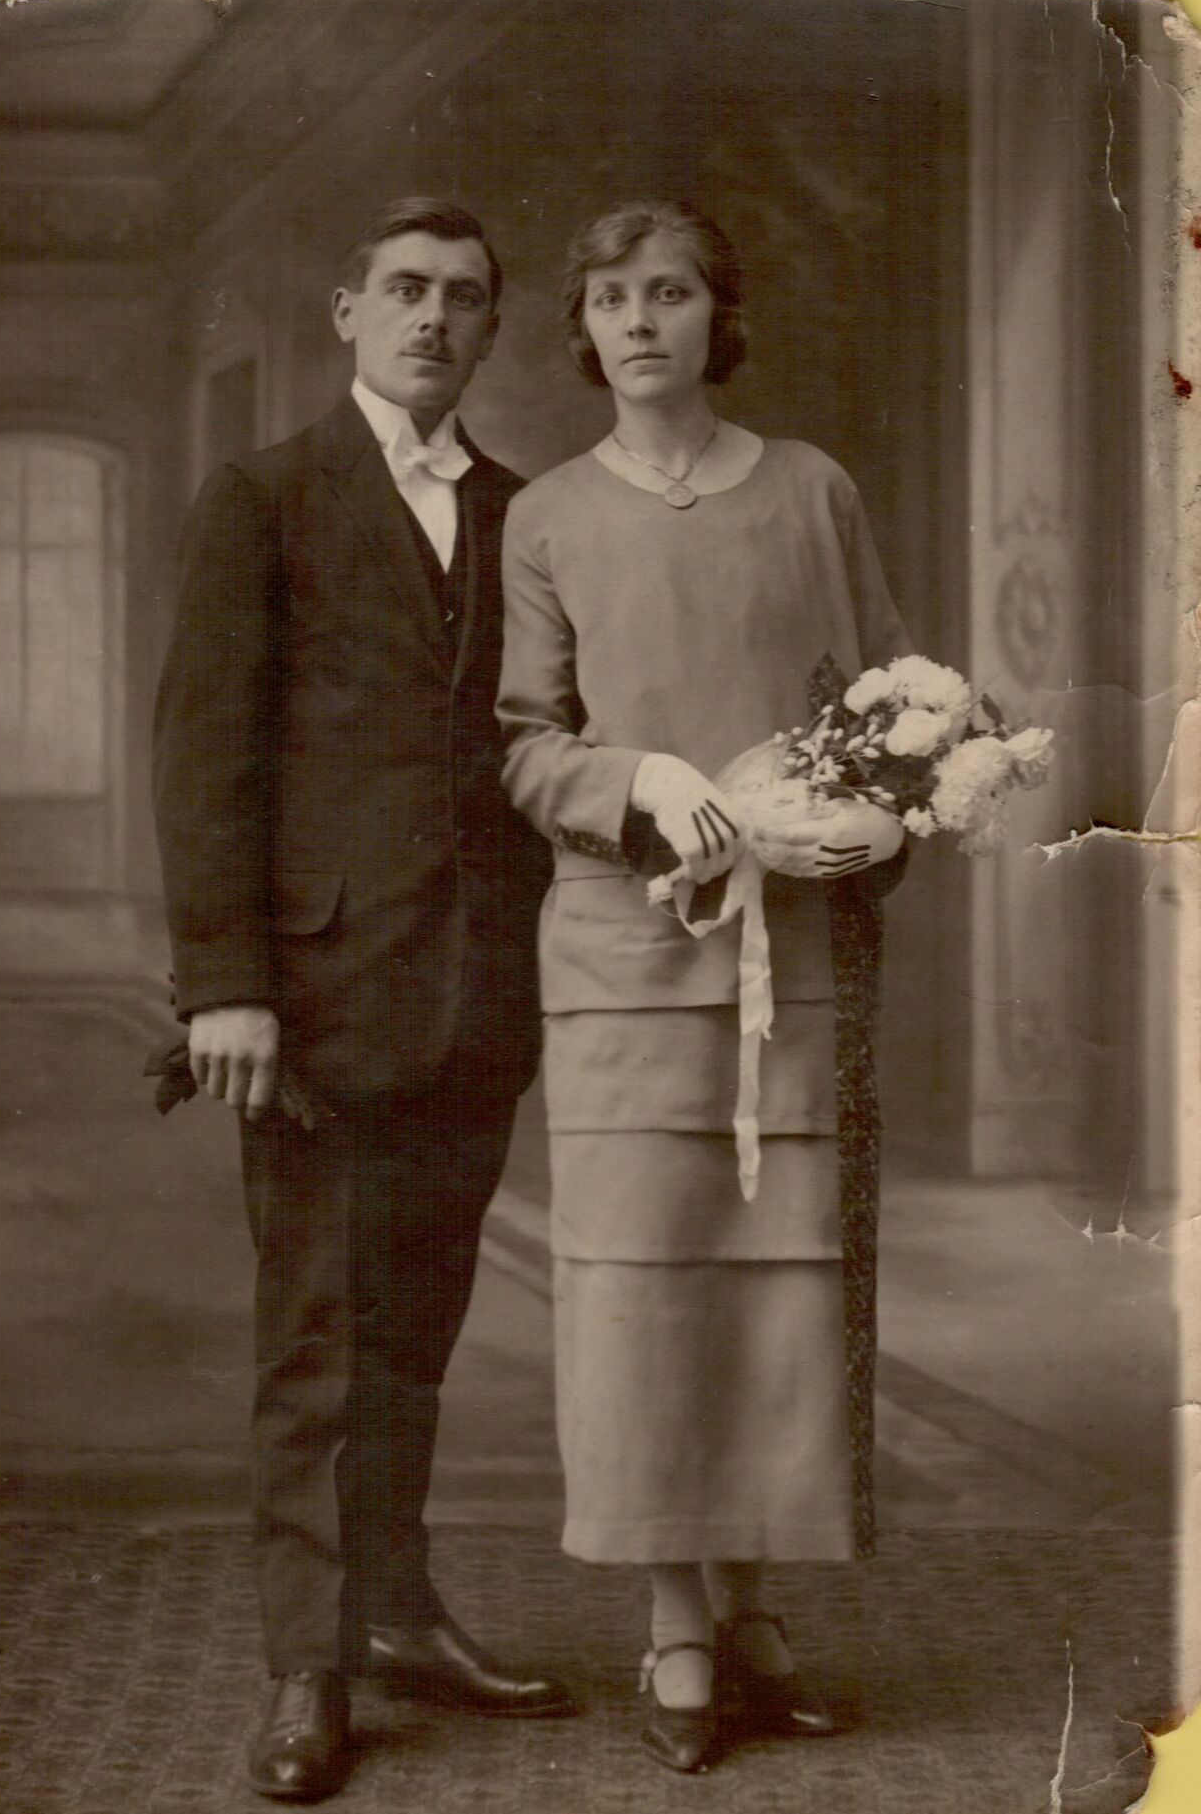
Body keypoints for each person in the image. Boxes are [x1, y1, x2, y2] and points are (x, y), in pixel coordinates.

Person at [153, 196, 574, 1805]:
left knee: (415, 1334)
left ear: (489, 330)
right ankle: (307, 1667)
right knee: (320, 1341)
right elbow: (208, 757)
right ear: (345, 312)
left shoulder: (523, 513)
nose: (432, 320)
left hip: (478, 997)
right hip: (315, 1002)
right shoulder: (261, 497)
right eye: (403, 291)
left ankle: (395, 1613)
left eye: (465, 299)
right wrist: (230, 988)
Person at [496, 198, 909, 1774]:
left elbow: (888, 698)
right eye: (610, 297)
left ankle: (755, 1612)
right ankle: (673, 1615)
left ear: (715, 316)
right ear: (585, 329)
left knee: (781, 1286)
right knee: (644, 1287)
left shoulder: (811, 490)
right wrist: (648, 775)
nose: (641, 320)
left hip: (793, 949)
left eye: (670, 291)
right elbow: (527, 743)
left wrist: (857, 818)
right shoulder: (546, 518)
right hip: (620, 957)